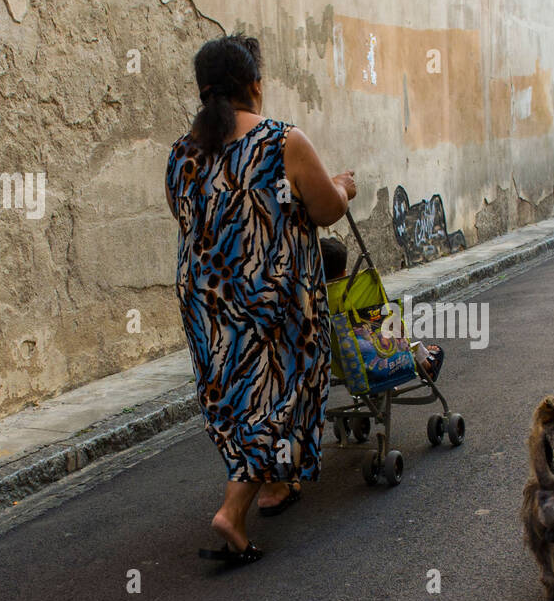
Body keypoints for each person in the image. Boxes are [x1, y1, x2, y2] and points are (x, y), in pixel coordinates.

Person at [165, 35, 356, 566]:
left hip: (204, 299)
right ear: (254, 85)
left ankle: (275, 485)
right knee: (281, 393)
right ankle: (234, 511)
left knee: (235, 396)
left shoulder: (182, 153)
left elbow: (187, 217)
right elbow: (322, 210)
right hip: (272, 298)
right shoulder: (282, 141)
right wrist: (342, 187)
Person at [320, 237, 444, 380]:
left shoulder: (314, 298)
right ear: (344, 271)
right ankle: (427, 365)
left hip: (340, 366)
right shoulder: (358, 288)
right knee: (390, 327)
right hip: (384, 358)